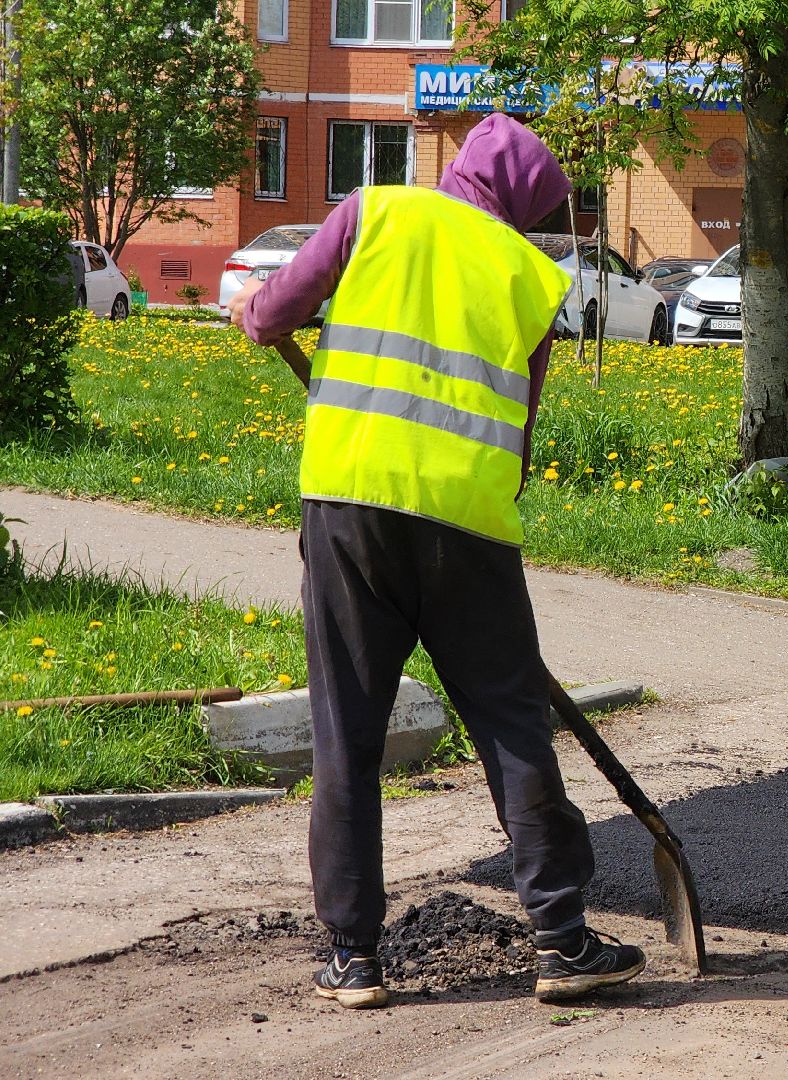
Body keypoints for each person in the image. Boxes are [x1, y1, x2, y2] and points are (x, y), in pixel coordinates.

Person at [229, 113, 645, 1010]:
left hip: (349, 508)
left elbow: (274, 313)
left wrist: (248, 313)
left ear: (458, 167)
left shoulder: (375, 211)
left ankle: (351, 957)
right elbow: (519, 435)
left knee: (348, 731)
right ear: (530, 205)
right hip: (470, 525)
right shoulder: (533, 277)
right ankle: (561, 940)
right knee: (510, 724)